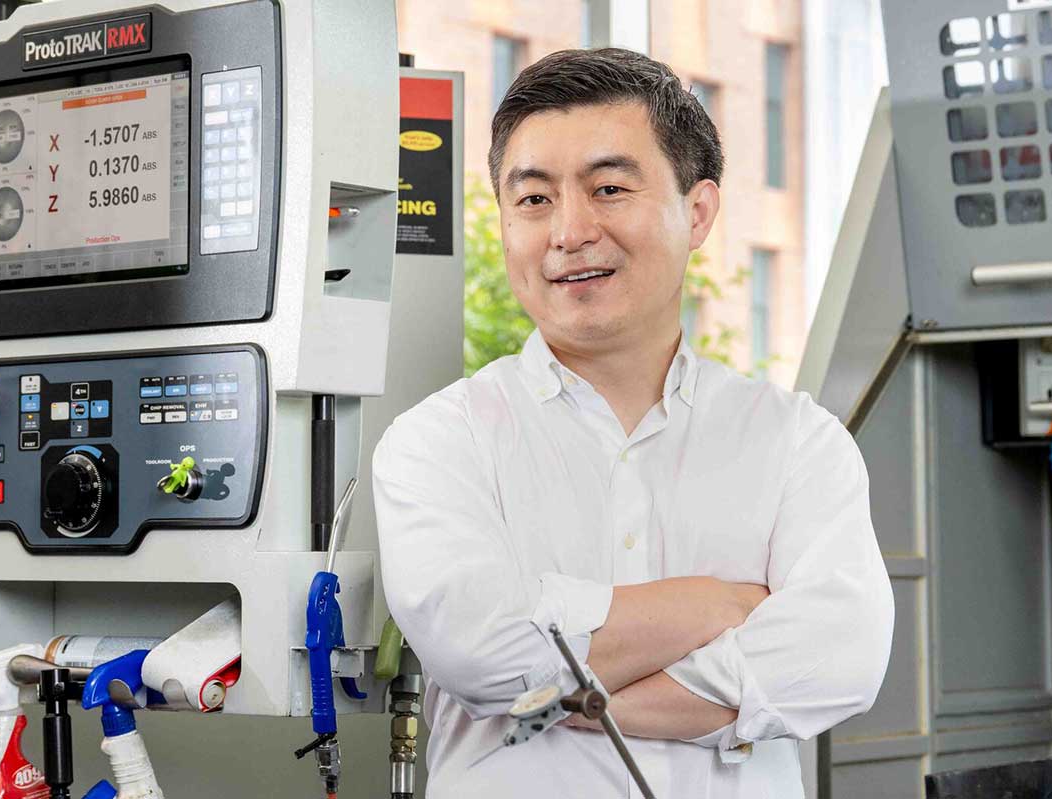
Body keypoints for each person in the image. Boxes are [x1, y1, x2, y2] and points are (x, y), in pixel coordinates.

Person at [372, 48, 894, 796]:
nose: (569, 231)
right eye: (533, 199)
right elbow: (482, 650)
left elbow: (842, 653)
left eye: (609, 188)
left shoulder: (796, 442)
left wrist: (582, 690)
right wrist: (720, 606)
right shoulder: (438, 444)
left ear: (699, 210)